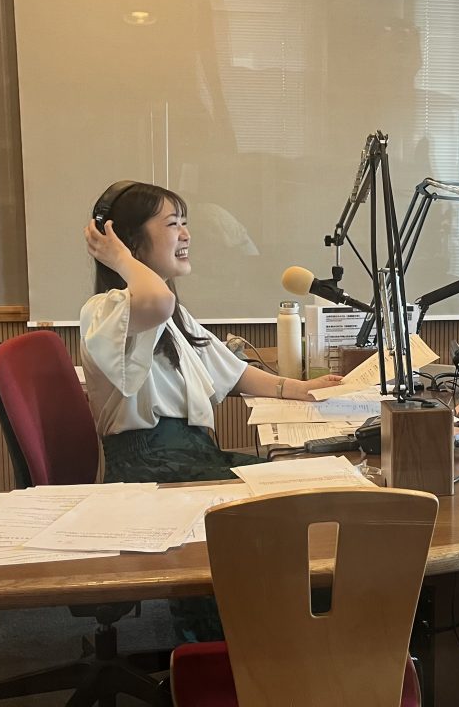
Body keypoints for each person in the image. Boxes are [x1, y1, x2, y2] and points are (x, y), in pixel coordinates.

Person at [81, 181, 341, 641]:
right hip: (151, 471)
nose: (186, 235)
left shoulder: (173, 315)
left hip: (189, 460)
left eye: (186, 224)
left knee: (306, 484)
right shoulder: (108, 310)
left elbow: (232, 372)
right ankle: (218, 645)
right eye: (172, 224)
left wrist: (301, 389)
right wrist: (118, 257)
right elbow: (156, 300)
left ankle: (305, 625)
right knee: (276, 512)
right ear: (127, 239)